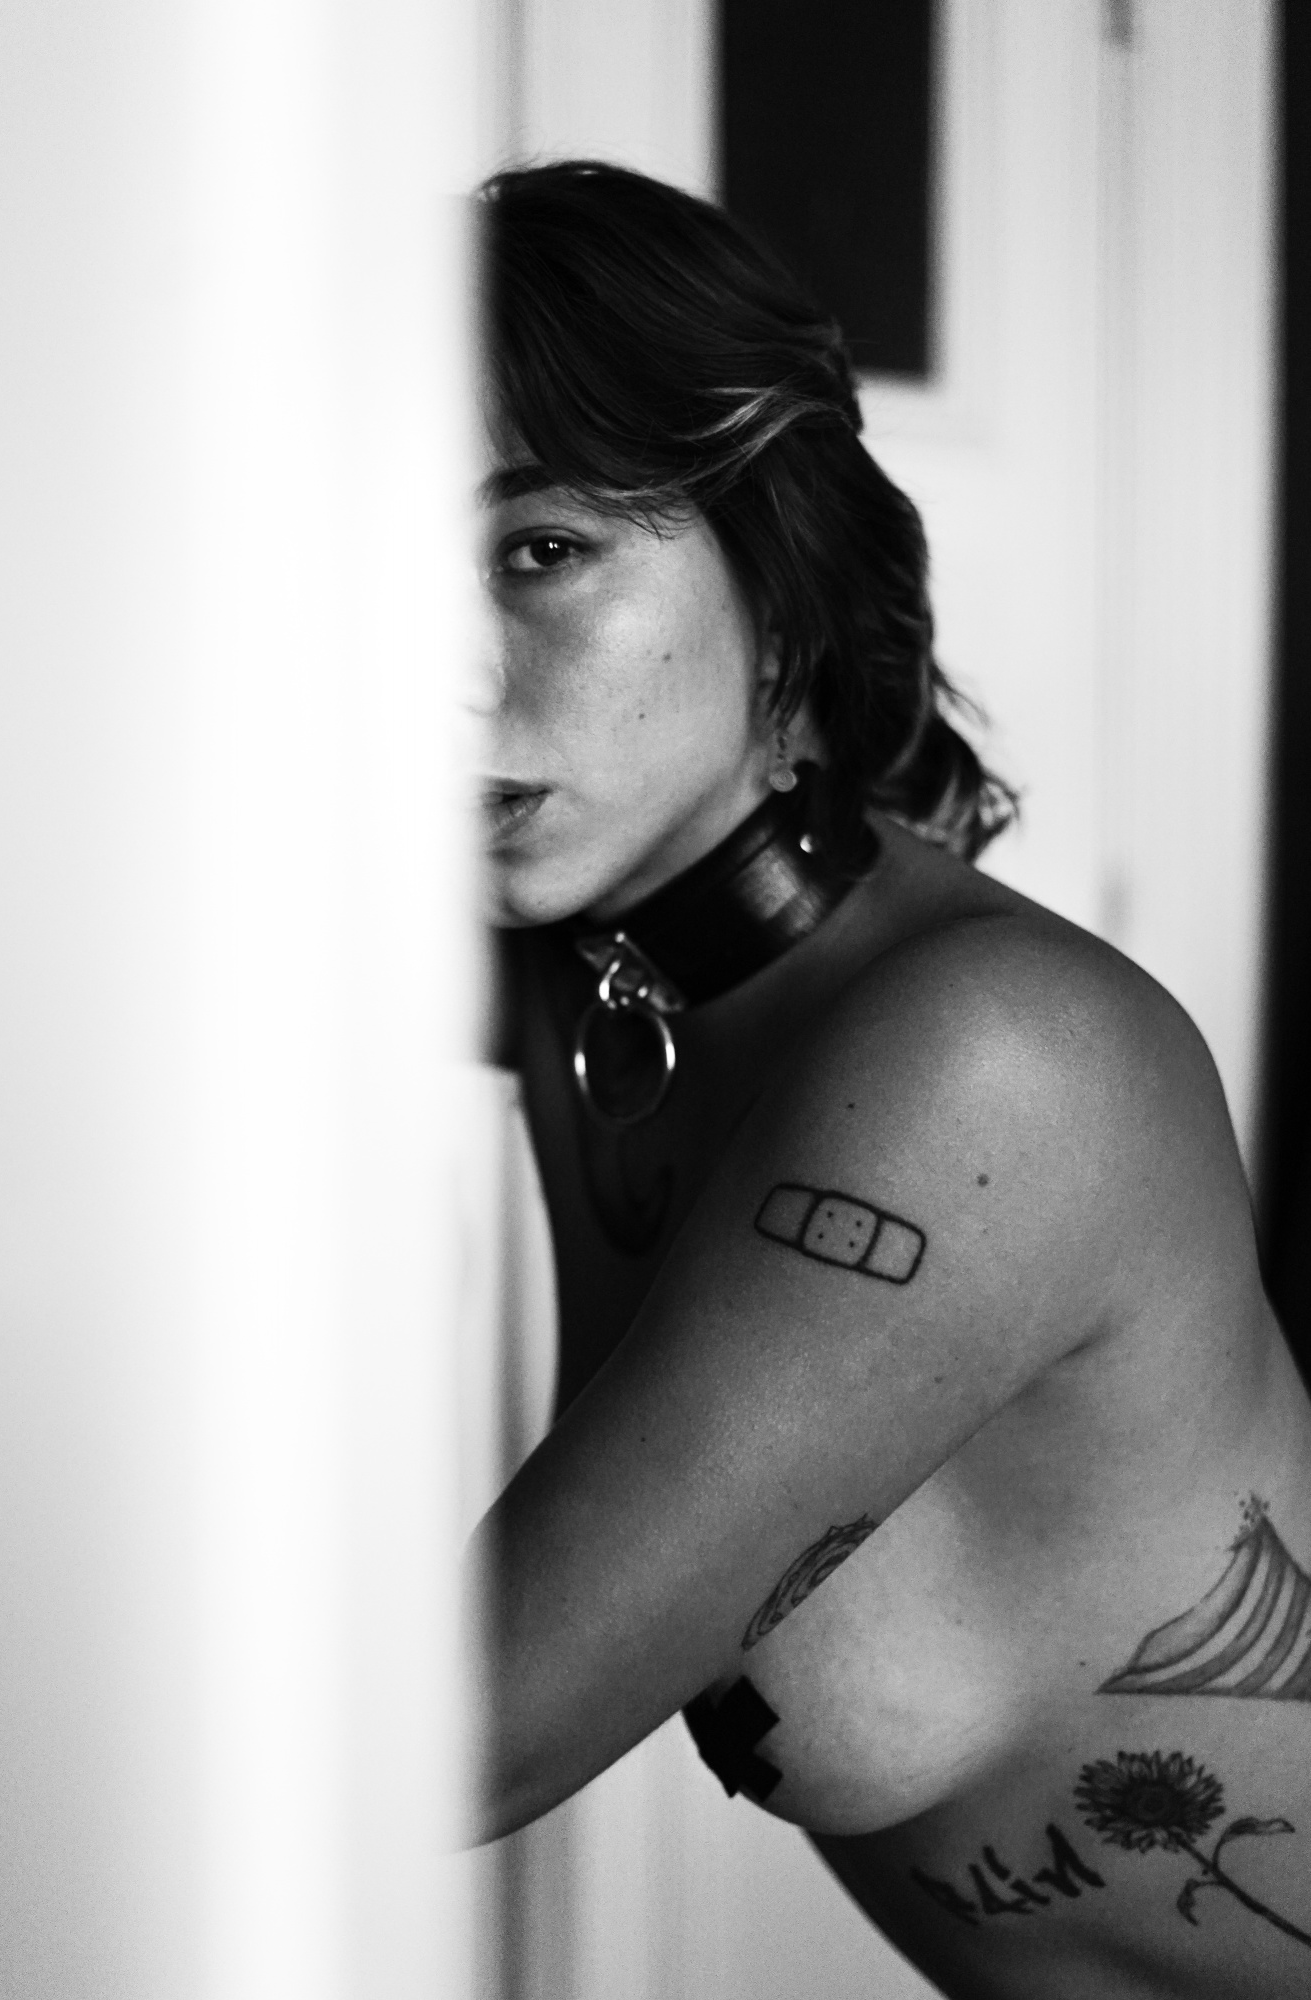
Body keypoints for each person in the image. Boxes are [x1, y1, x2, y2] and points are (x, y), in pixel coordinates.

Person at [466, 160, 1311, 2000]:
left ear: (776, 576)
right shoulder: (589, 959)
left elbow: (467, 1731)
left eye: (540, 550)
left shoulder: (987, 1067)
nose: (436, 664)